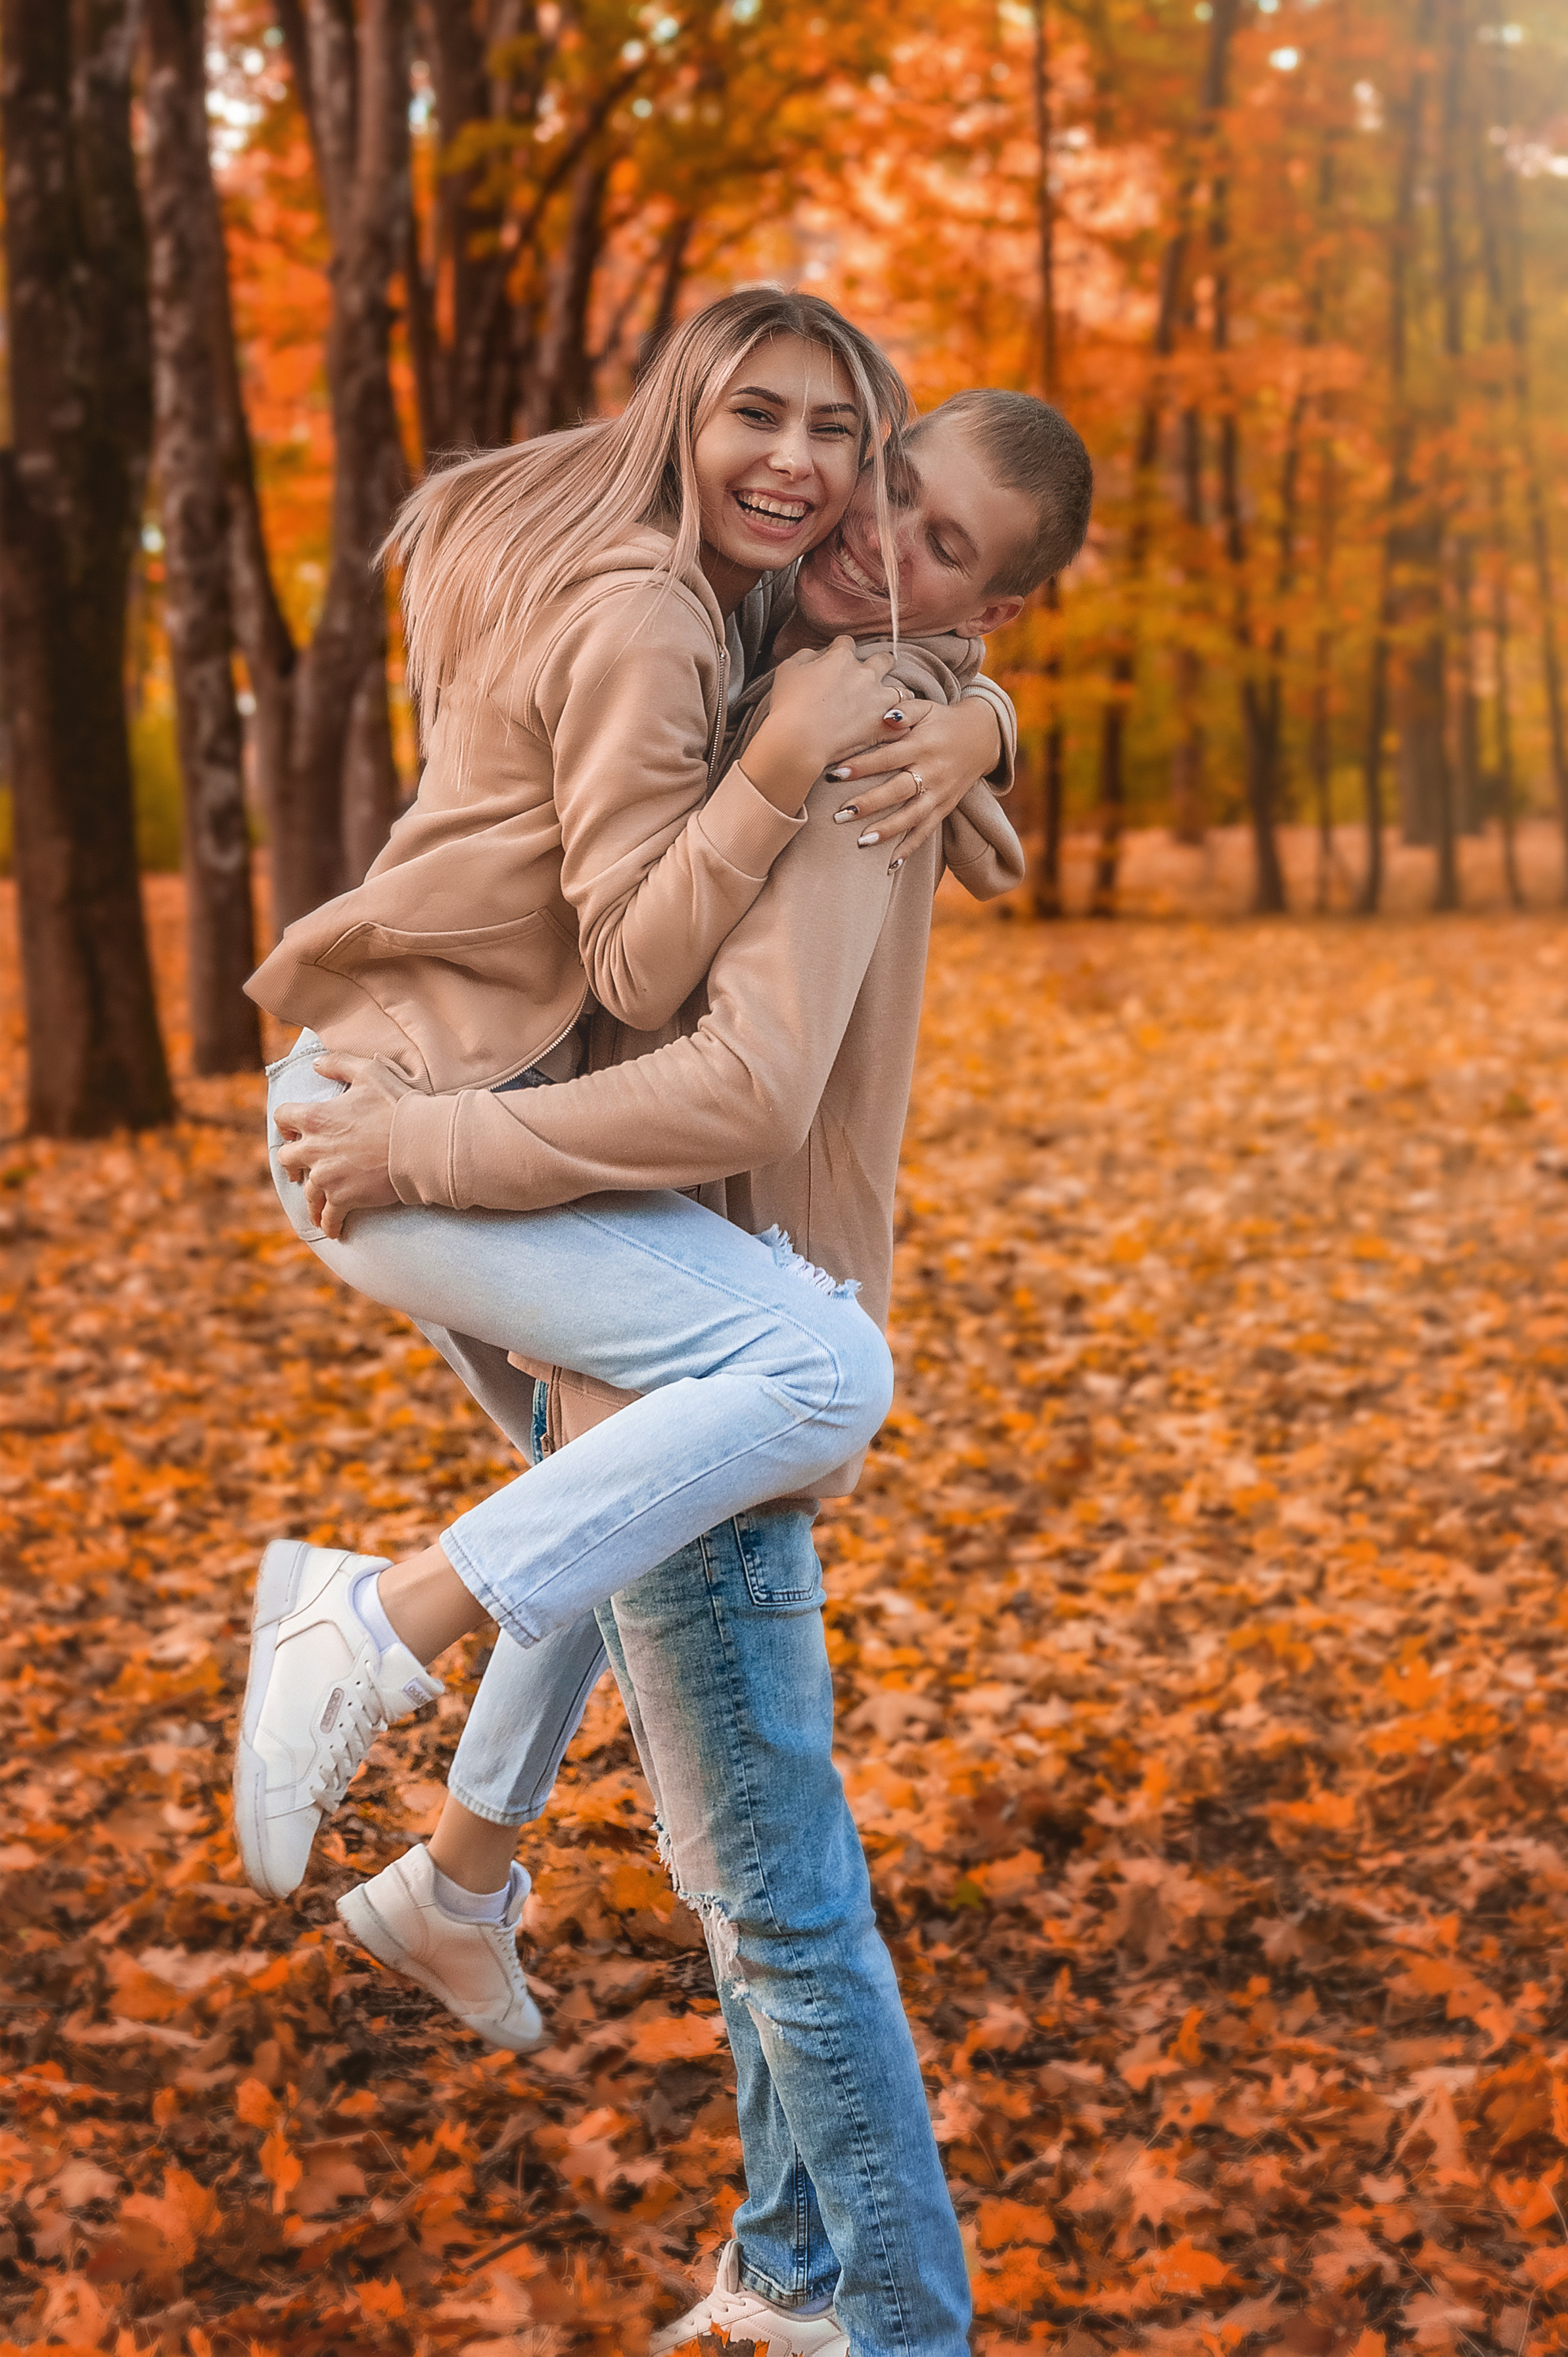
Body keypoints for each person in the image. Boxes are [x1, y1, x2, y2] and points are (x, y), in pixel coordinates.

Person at [278, 390, 1093, 2357]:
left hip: (725, 1335)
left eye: (947, 548)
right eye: (890, 483)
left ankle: (890, 2316)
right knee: (746, 1861)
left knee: (777, 1889)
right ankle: (791, 2265)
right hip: (668, 1320)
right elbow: (520, 536)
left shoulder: (859, 728)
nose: (884, 533)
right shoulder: (792, 662)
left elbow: (741, 1076)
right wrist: (984, 716)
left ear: (989, 609)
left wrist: (423, 1154)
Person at [237, 291, 1011, 1905]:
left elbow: (892, 662)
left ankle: (451, 1889)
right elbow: (637, 972)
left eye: (833, 434)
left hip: (472, 1106)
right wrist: (785, 759)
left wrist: (972, 722)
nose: (801, 466)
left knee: (629, 1467)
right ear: (684, 416)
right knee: (813, 1368)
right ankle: (374, 1618)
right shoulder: (654, 615)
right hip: (389, 1123)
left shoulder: (721, 603)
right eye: (760, 418)